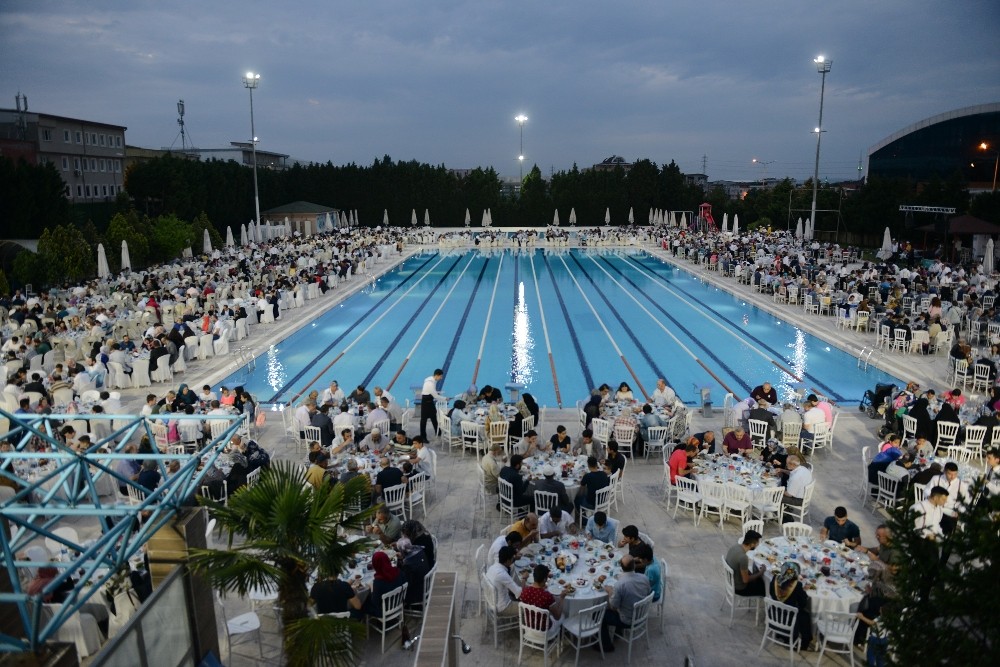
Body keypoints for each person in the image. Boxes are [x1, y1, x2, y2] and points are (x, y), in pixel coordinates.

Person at [598, 554, 652, 652]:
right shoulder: (644, 578)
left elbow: (613, 607)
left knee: (600, 615)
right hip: (642, 615)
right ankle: (618, 633)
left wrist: (610, 592)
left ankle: (606, 646)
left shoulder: (620, 585)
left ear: (621, 568)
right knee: (624, 602)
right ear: (634, 565)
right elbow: (648, 593)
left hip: (627, 620)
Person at [768, 561, 813, 651]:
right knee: (805, 615)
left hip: (774, 614)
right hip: (788, 620)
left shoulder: (775, 579)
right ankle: (804, 643)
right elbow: (803, 604)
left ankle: (779, 634)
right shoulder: (797, 585)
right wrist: (803, 592)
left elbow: (772, 593)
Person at [519, 564, 569, 637]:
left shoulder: (525, 592)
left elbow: (524, 589)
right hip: (544, 632)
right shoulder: (547, 596)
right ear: (545, 579)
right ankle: (561, 636)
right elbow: (557, 616)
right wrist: (562, 598)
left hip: (529, 627)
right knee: (563, 615)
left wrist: (524, 579)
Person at [925, 461, 968, 534]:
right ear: (944, 472)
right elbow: (927, 491)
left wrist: (960, 511)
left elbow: (966, 501)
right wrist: (931, 499)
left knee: (947, 529)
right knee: (929, 528)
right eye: (950, 474)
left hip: (950, 511)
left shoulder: (961, 485)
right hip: (935, 508)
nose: (952, 477)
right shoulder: (936, 479)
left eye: (955, 474)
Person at [486, 546, 529, 617]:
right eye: (512, 558)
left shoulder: (492, 567)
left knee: (515, 590)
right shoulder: (502, 574)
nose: (513, 560)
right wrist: (524, 578)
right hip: (502, 608)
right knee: (530, 606)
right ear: (508, 561)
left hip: (492, 601)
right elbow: (520, 594)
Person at [362, 551, 407, 617]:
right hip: (399, 603)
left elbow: (375, 602)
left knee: (363, 603)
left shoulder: (378, 581)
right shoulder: (398, 571)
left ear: (375, 564)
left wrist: (372, 589)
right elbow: (405, 583)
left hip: (384, 611)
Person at [725, 530, 765, 597]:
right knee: (765, 588)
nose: (757, 545)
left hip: (732, 582)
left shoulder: (735, 546)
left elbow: (740, 567)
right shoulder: (743, 558)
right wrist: (761, 573)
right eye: (757, 543)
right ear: (752, 544)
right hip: (739, 588)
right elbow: (745, 580)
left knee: (756, 577)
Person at [781, 455, 813, 521]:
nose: (786, 465)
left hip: (799, 500)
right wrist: (782, 470)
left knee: (776, 496)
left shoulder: (795, 477)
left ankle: (782, 516)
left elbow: (789, 494)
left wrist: (778, 490)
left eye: (787, 463)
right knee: (782, 487)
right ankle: (784, 509)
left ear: (792, 465)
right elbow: (791, 473)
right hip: (805, 496)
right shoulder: (802, 468)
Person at [420, 368, 444, 442]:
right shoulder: (430, 383)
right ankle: (423, 437)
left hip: (429, 401)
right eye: (441, 376)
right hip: (426, 403)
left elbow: (433, 392)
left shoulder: (431, 379)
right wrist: (445, 398)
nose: (441, 378)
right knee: (423, 420)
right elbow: (435, 396)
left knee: (433, 417)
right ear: (437, 375)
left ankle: (438, 432)